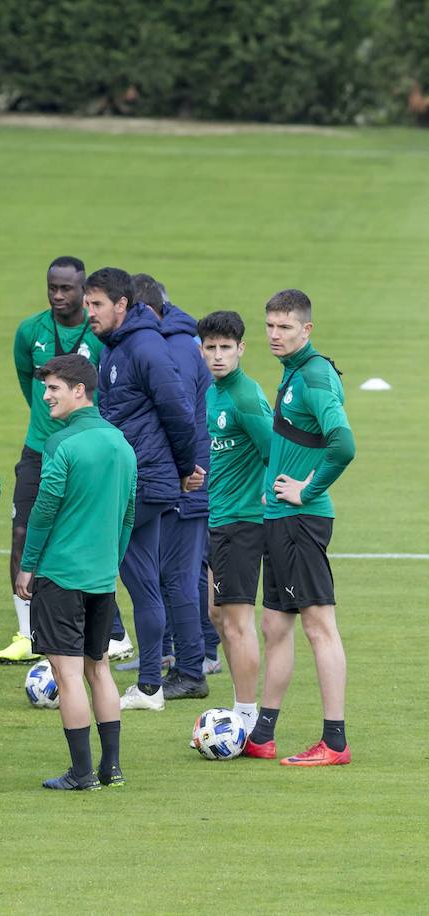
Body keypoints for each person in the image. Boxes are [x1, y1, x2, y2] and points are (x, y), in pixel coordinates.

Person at [14, 355, 136, 790]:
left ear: (79, 390)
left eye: (53, 389)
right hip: (101, 579)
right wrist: (111, 563)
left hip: (61, 576)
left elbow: (43, 511)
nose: (45, 396)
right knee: (98, 668)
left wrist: (27, 566)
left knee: (67, 674)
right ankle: (112, 768)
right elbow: (127, 516)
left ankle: (82, 773)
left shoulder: (60, 444)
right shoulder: (122, 444)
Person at [246, 289, 355, 766]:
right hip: (280, 519)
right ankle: (262, 735)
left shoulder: (311, 376)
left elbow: (343, 444)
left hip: (300, 521)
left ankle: (335, 742)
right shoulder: (295, 373)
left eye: (285, 327)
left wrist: (305, 490)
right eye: (270, 326)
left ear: (306, 329)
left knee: (319, 627)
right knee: (274, 624)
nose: (275, 334)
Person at [87, 267, 199, 712]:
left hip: (143, 483)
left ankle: (88, 672)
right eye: (88, 303)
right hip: (139, 480)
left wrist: (185, 467)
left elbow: (179, 409)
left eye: (97, 305)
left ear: (122, 306)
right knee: (142, 582)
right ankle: (149, 685)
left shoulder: (145, 346)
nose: (89, 312)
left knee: (96, 570)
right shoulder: (116, 346)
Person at [0, 256, 115, 665]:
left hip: (84, 451)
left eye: (67, 288)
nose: (58, 295)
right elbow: (28, 383)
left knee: (83, 534)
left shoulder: (98, 334)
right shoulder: (30, 330)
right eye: (52, 287)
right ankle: (28, 633)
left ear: (84, 291)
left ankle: (110, 629)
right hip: (38, 449)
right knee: (21, 532)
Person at [133, 273, 212, 701]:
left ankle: (190, 671)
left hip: (186, 479)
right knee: (169, 576)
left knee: (179, 579)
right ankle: (177, 663)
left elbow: (176, 416)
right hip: (178, 476)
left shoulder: (174, 348)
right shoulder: (177, 341)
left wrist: (183, 471)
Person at [197, 310, 271, 734]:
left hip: (243, 522)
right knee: (216, 614)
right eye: (211, 348)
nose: (219, 355)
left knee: (237, 621)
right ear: (202, 350)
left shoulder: (244, 396)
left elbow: (275, 449)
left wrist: (267, 489)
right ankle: (241, 707)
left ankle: (244, 717)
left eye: (227, 348)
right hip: (220, 517)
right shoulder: (214, 393)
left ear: (241, 349)